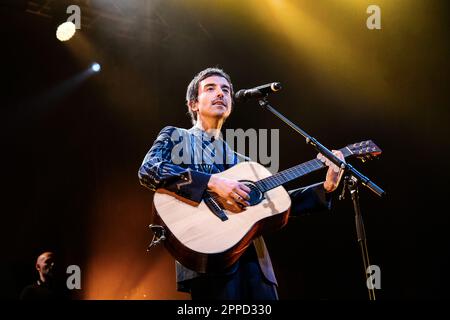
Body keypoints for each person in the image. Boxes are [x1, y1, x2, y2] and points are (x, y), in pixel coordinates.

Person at [138, 67, 345, 300]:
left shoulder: (244, 163)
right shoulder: (177, 136)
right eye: (211, 88)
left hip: (255, 264)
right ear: (193, 104)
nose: (221, 93)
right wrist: (212, 182)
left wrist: (327, 186)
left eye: (226, 90)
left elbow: (279, 202)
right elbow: (149, 170)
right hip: (209, 256)